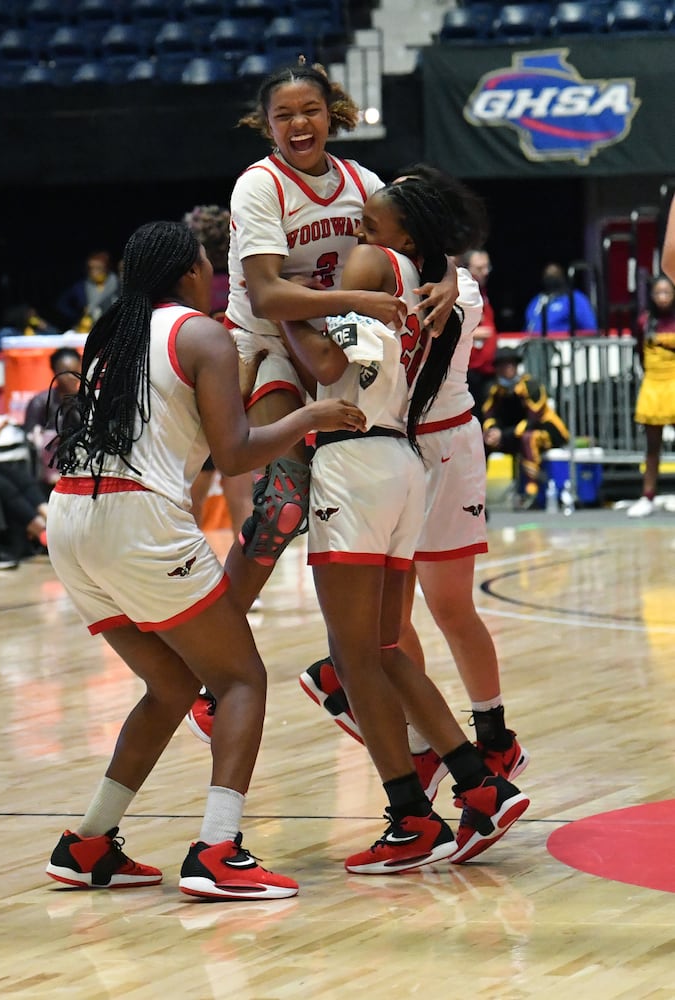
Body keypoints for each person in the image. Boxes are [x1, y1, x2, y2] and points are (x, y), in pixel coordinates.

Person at [43, 220, 365, 899]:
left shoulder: (113, 338)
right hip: (135, 519)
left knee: (170, 686)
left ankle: (87, 843)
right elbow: (235, 451)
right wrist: (310, 419)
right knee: (240, 679)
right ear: (189, 273)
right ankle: (218, 849)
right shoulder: (199, 333)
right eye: (204, 265)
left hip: (70, 518)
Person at [183, 60, 456, 740]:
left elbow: (424, 238)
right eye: (284, 115)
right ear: (266, 124)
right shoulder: (259, 186)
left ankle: (378, 694)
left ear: (330, 112)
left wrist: (447, 280)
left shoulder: (362, 183)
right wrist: (358, 298)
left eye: (309, 110)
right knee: (278, 509)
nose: (298, 123)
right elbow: (271, 297)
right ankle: (206, 676)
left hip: (333, 352)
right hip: (270, 345)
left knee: (367, 556)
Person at [278, 174, 528, 873]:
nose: (355, 230)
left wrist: (284, 314)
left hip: (363, 458)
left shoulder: (375, 268)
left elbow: (331, 362)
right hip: (398, 459)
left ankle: (418, 806)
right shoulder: (417, 277)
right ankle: (476, 784)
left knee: (358, 655)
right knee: (383, 648)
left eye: (367, 221)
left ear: (402, 236)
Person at [481, 348, 569, 508]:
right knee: (482, 442)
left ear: (516, 366)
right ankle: (477, 492)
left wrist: (504, 434)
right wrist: (492, 432)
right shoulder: (495, 390)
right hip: (512, 435)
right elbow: (488, 415)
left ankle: (531, 491)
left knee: (529, 438)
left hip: (547, 431)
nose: (506, 369)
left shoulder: (530, 385)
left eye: (510, 364)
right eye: (502, 365)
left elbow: (533, 419)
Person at [629, 275, 675, 517]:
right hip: (653, 385)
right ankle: (648, 496)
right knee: (652, 447)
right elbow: (640, 353)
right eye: (659, 292)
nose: (663, 297)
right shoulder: (645, 322)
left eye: (667, 292)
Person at [464, 249, 497, 410]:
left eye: (487, 267)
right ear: (467, 268)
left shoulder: (482, 293)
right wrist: (475, 332)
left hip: (486, 370)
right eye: (479, 268)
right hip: (469, 371)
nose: (485, 272)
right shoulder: (460, 292)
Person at [55, 251, 121, 333]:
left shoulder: (118, 284)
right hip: (89, 328)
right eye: (91, 268)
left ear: (106, 268)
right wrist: (78, 316)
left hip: (114, 327)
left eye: (98, 268)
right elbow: (62, 304)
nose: (94, 271)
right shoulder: (81, 286)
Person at [523, 263, 597, 335]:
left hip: (563, 345)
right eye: (547, 275)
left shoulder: (574, 298)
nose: (550, 278)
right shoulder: (536, 300)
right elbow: (528, 327)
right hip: (533, 344)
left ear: (562, 276)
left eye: (554, 275)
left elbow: (590, 329)